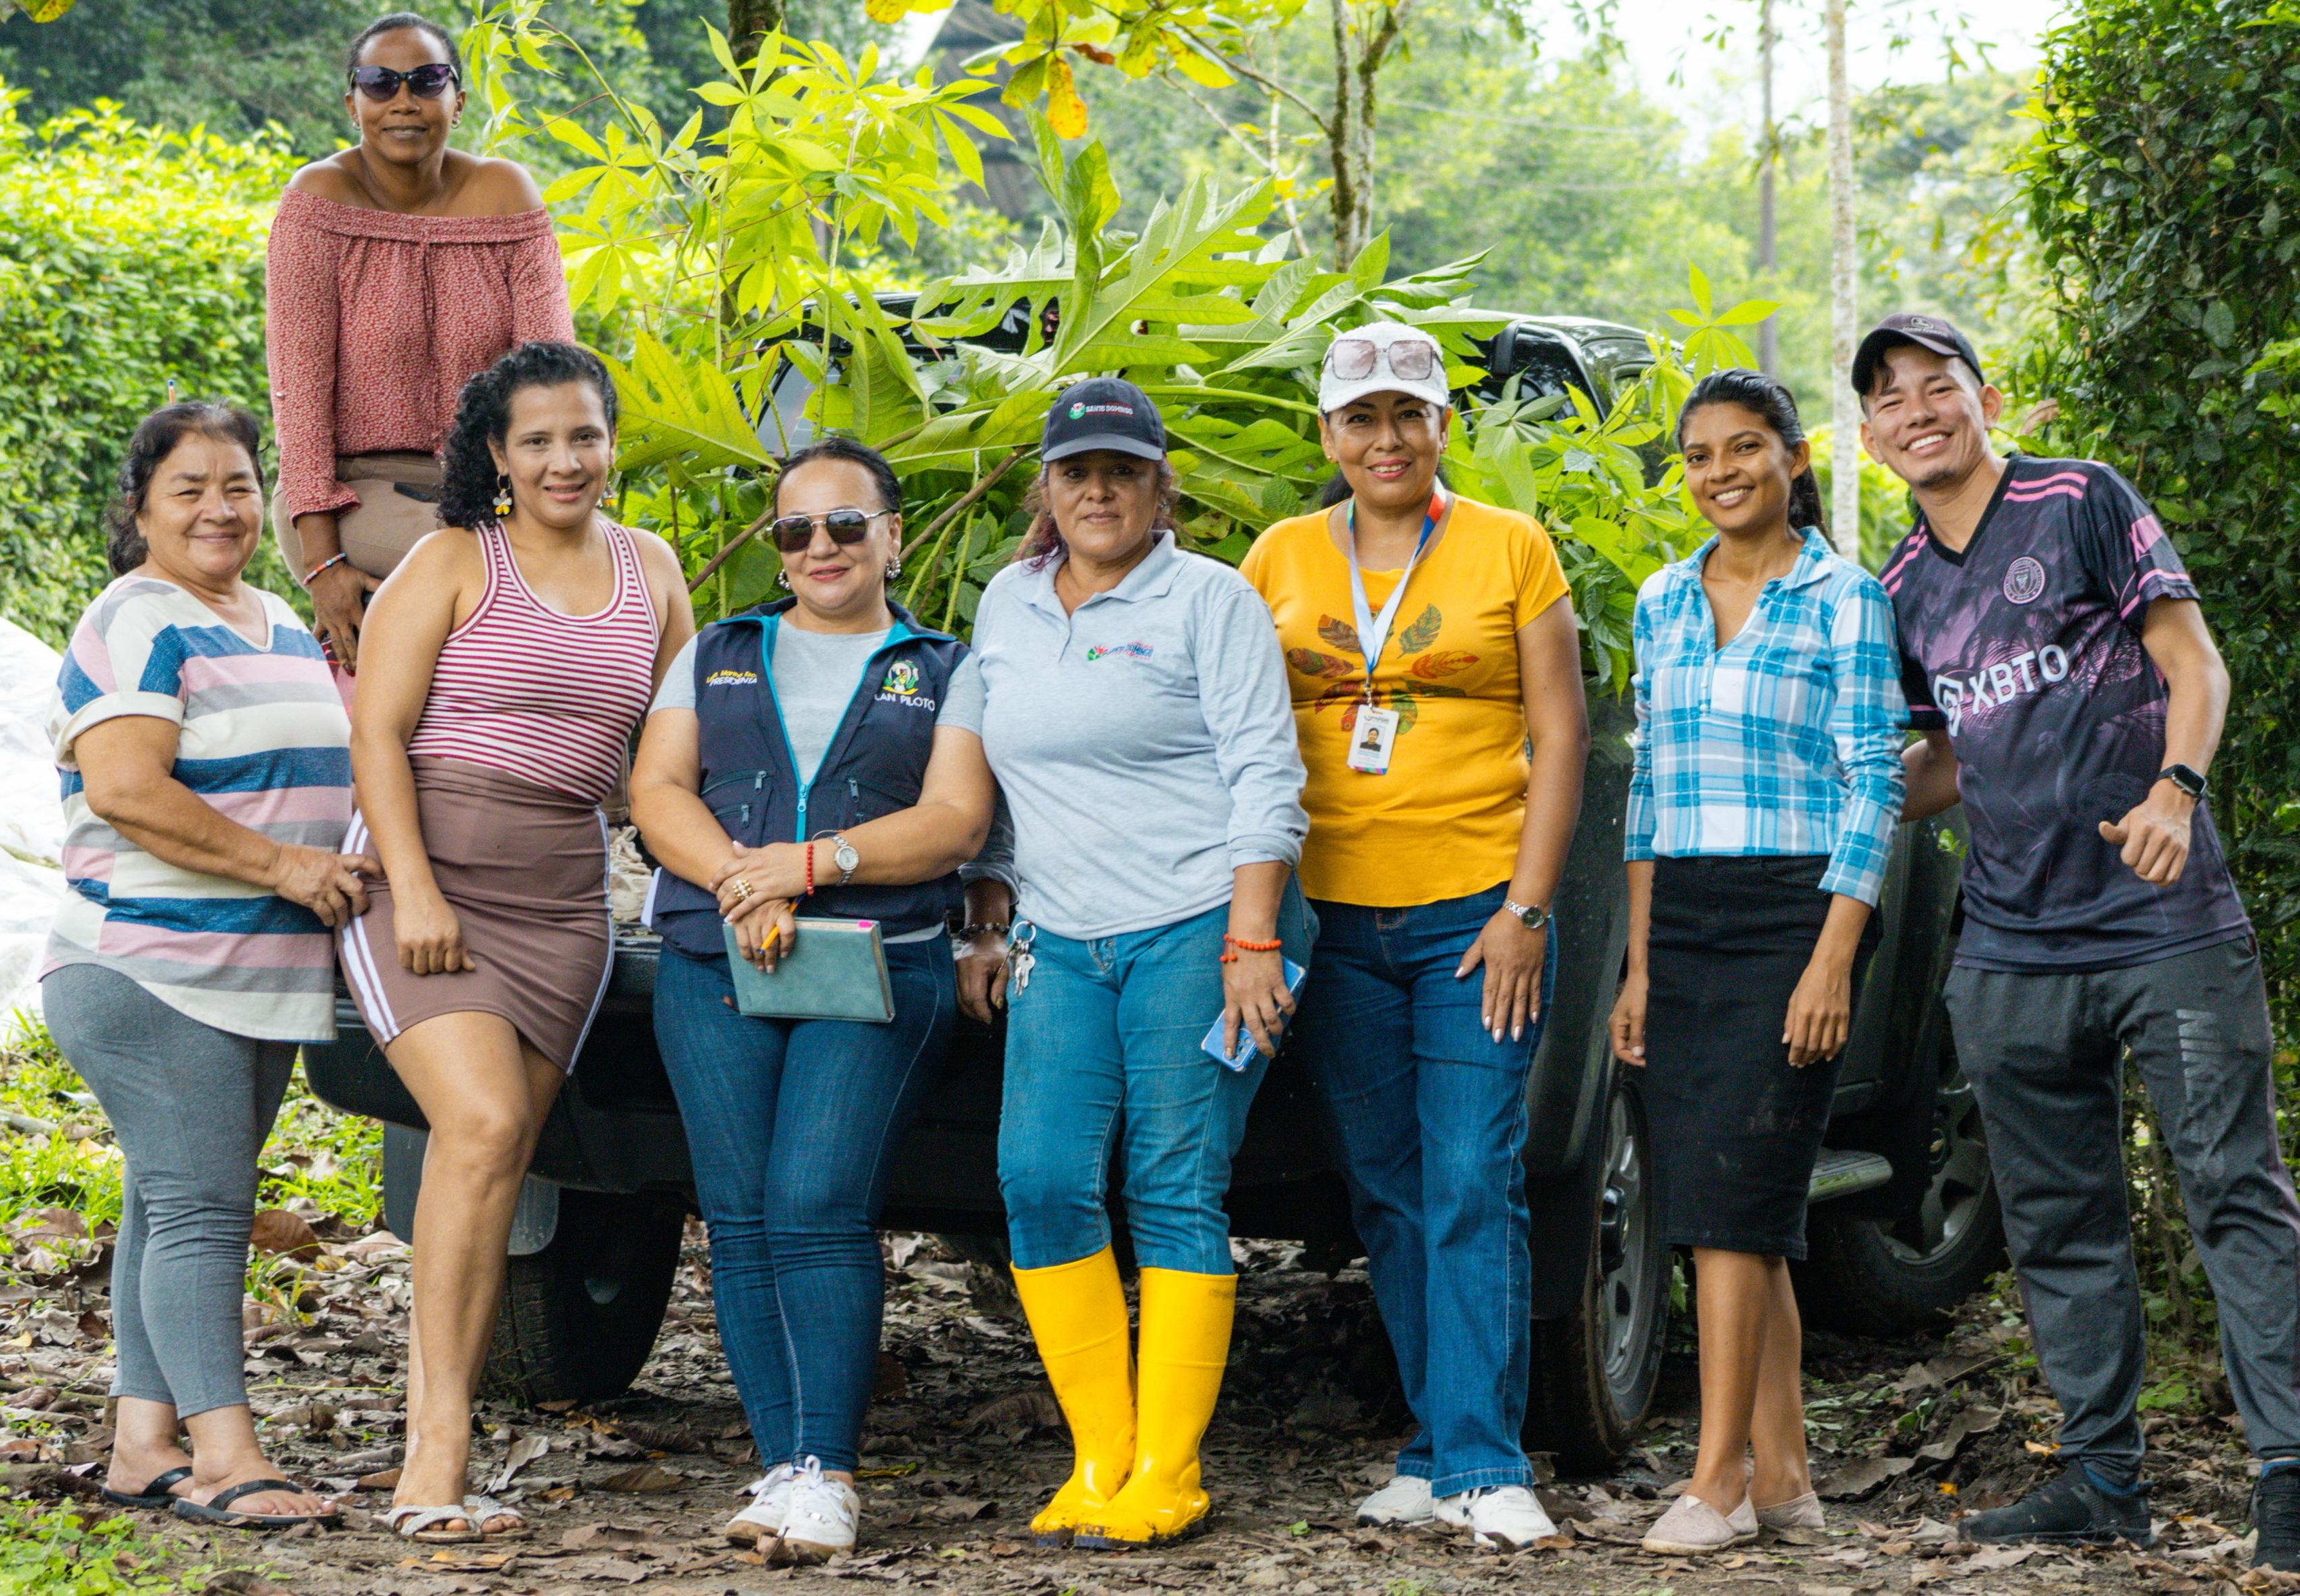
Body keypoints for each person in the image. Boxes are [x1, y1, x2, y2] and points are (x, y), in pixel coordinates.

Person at [1856, 312, 2300, 1576]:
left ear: (1983, 397)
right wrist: (1841, 794)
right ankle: (2103, 1477)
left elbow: (2194, 662)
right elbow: (1946, 758)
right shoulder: (1897, 587)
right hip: (2011, 947)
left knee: (2232, 1186)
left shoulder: (2078, 500)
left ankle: (2288, 1473)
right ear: (1869, 437)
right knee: (2058, 1217)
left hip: (2165, 925)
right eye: (1890, 398)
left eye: (1937, 385)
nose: (1917, 410)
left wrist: (2178, 790)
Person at [1238, 324, 1587, 1551]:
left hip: (1473, 917)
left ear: (1443, 424)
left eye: (1408, 414)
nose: (1385, 439)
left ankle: (1489, 1460)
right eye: (1361, 417)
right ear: (1327, 433)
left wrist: (1527, 908)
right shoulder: (1279, 554)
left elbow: (1562, 734)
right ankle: (1437, 1449)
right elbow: (1242, 736)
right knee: (1387, 1188)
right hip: (1331, 922)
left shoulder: (1510, 544)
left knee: (1472, 1177)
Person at [339, 344, 690, 1540]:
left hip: (564, 903)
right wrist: (417, 890)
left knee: (495, 1168)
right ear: (496, 453)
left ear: (610, 442)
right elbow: (377, 735)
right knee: (484, 1126)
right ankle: (432, 1453)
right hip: (430, 877)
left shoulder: (652, 569)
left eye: (583, 434)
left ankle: (443, 1434)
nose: (563, 459)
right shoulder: (450, 560)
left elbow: (671, 749)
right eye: (536, 439)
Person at [954, 378, 1310, 1550]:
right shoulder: (1008, 603)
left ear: (1162, 486)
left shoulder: (1210, 597)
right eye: (1077, 471)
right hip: (1061, 934)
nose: (1098, 491)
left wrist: (1253, 939)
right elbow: (999, 778)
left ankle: (1170, 1465)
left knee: (1172, 1178)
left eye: (1122, 470)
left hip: (1200, 920)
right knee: (1040, 1175)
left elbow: (1267, 774)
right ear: (1046, 488)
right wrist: (989, 909)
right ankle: (1100, 1453)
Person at [629, 437, 997, 1563]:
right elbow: (658, 789)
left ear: (892, 534)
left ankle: (829, 1470)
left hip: (875, 963)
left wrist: (811, 864)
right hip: (716, 959)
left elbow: (955, 820)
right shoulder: (719, 650)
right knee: (740, 1211)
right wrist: (740, 879)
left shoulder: (944, 665)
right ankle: (783, 1462)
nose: (821, 546)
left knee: (817, 1199)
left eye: (847, 524)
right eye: (797, 528)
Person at [45, 401, 366, 1531]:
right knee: (201, 1205)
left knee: (170, 1195)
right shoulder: (136, 617)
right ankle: (229, 1456)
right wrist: (286, 864)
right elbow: (128, 787)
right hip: (150, 966)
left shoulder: (277, 620)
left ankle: (144, 1442)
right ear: (141, 509)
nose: (219, 508)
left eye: (238, 485)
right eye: (188, 488)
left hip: (253, 973)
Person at [1609, 369, 1905, 1557]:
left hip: (1796, 909)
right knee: (1727, 1202)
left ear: (1793, 457)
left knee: (1735, 1199)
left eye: (1744, 447)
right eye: (1699, 455)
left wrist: (1834, 954)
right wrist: (1638, 965)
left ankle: (1717, 1476)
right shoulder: (1661, 598)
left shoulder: (1848, 597)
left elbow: (1877, 780)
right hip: (1683, 910)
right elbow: (1647, 788)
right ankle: (1783, 1476)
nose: (1720, 471)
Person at [265, 10, 574, 675]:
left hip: (490, 491)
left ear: (456, 101)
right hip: (353, 494)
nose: (403, 100)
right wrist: (321, 563)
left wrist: (556, 498)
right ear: (352, 103)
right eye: (380, 83)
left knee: (618, 570)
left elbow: (553, 377)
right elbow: (299, 394)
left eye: (426, 80)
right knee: (494, 570)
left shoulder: (505, 195)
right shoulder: (318, 201)